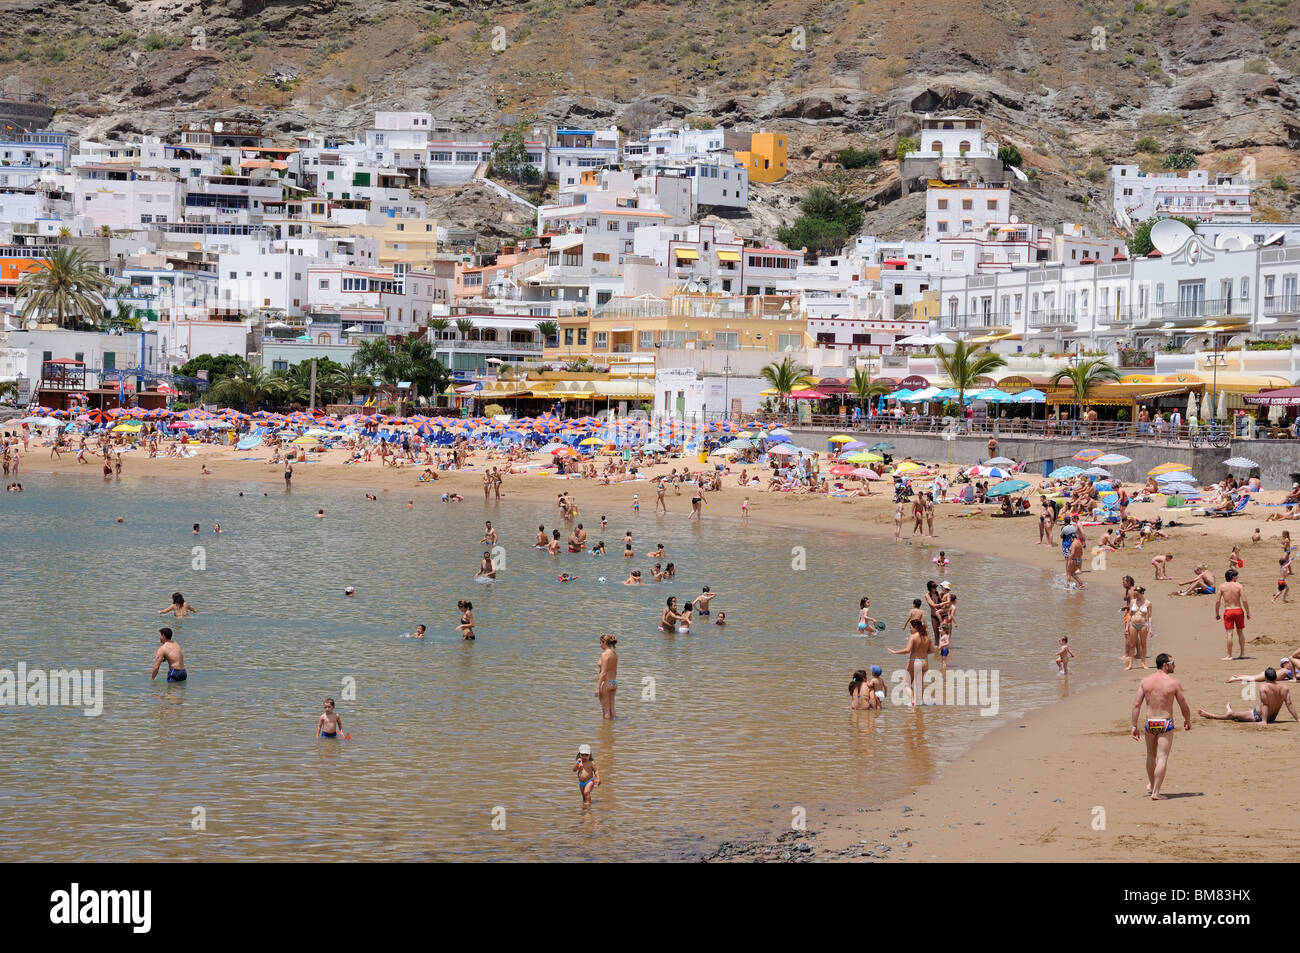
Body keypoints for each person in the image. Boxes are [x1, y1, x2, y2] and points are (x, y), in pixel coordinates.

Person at [1130, 653, 1191, 801]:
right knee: (1162, 757)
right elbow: (1183, 705)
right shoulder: (1173, 683)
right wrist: (1187, 720)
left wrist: (1134, 725)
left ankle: (1151, 785)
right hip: (1165, 723)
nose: (1174, 665)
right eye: (1173, 662)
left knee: (1151, 755)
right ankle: (1156, 792)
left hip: (1150, 723)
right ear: (1165, 665)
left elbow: (1137, 704)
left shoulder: (1145, 681)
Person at [1198, 668, 1298, 725]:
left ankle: (1212, 715)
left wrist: (1264, 721)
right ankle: (1230, 710)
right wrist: (1297, 719)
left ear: (1266, 677)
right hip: (1272, 717)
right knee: (1250, 710)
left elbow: (1265, 704)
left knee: (1232, 716)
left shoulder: (1264, 687)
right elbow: (1289, 704)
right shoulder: (1284, 687)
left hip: (1257, 716)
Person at [887, 618, 932, 706]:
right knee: (920, 684)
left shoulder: (913, 636)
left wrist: (895, 652)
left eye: (910, 627)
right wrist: (922, 652)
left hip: (914, 661)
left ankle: (912, 700)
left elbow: (907, 650)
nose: (910, 629)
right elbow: (932, 651)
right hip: (925, 662)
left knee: (906, 683)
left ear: (915, 627)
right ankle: (919, 702)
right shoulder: (927, 637)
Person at [1215, 568, 1249, 659]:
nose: (1237, 578)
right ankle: (1242, 654)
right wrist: (1247, 612)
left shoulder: (1222, 586)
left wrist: (1217, 613)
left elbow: (1218, 601)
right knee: (1240, 632)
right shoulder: (1239, 586)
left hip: (1228, 611)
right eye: (1236, 577)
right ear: (1233, 577)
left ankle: (1229, 655)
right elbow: (1244, 600)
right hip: (1238, 610)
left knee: (1229, 633)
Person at [597, 634, 618, 719]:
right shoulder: (614, 654)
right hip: (613, 682)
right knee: (612, 709)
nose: (600, 645)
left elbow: (603, 672)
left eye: (600, 643)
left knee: (605, 710)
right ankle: (612, 728)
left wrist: (597, 688)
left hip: (606, 683)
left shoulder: (605, 654)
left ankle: (605, 730)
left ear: (605, 642)